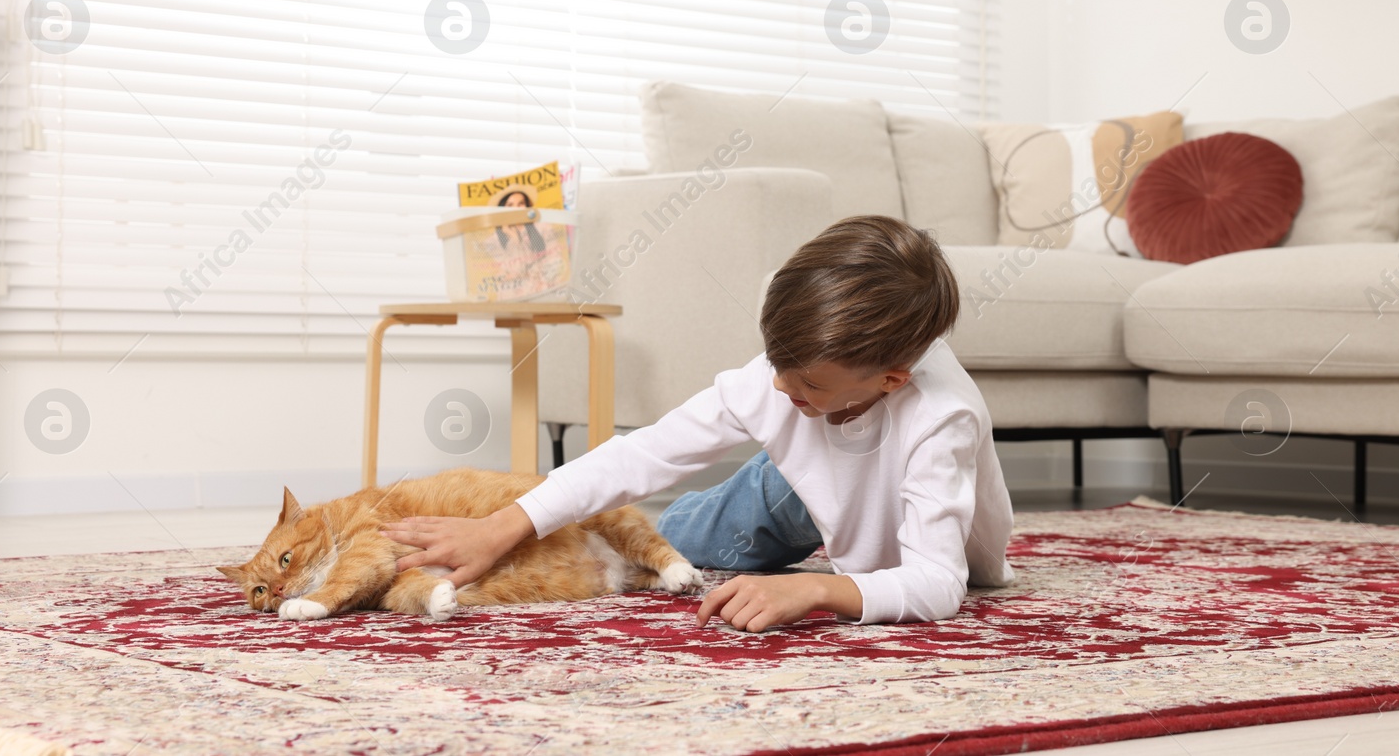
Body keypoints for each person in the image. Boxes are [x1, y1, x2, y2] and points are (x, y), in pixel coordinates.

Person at [383, 215, 1015, 630]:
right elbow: (644, 454)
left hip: (884, 487)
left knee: (843, 549)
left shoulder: (941, 422)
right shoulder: (787, 378)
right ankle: (782, 476)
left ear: (890, 380)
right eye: (776, 362)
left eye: (808, 383)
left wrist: (814, 592)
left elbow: (938, 583)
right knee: (679, 537)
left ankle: (794, 481)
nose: (777, 385)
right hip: (797, 479)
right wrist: (502, 525)